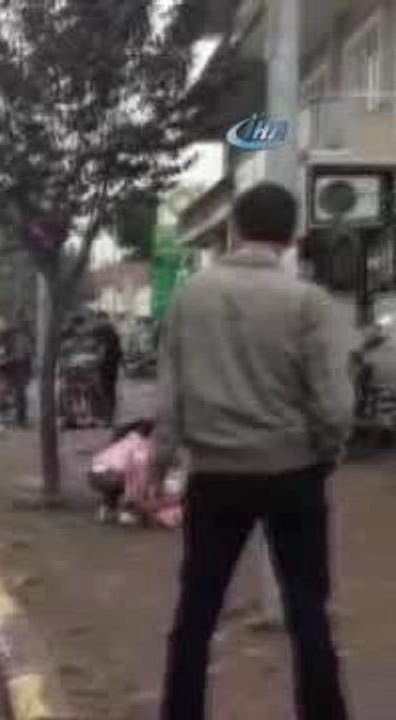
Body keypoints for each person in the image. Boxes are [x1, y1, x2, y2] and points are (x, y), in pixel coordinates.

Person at [151, 183, 352, 720]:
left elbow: (170, 397)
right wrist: (328, 452)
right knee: (308, 612)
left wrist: (158, 464)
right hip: (294, 472)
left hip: (215, 475)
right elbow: (333, 404)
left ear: (235, 228)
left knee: (197, 611)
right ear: (290, 236)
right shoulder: (309, 303)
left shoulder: (190, 298)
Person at [92, 311, 123, 424]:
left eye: (99, 319)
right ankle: (109, 416)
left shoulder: (99, 331)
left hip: (105, 365)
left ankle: (107, 417)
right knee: (109, 390)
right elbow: (119, 351)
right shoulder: (113, 332)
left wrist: (98, 362)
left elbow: (102, 349)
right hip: (111, 365)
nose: (98, 321)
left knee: (104, 390)